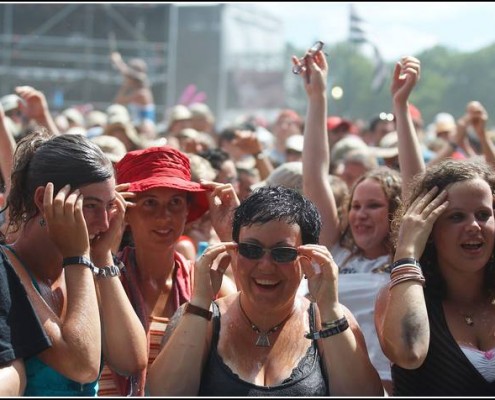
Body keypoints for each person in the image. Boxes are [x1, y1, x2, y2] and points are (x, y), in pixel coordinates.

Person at [146, 185, 383, 396]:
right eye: (251, 249)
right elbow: (162, 393)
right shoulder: (201, 317)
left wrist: (330, 309)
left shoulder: (330, 320)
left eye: (283, 253)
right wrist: (199, 303)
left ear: (308, 258)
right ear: (234, 251)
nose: (266, 265)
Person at [294, 43, 424, 393]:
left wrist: (400, 106)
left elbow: (417, 187)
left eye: (374, 206)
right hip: (328, 385)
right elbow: (315, 176)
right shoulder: (335, 250)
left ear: (397, 213)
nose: (361, 215)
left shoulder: (406, 258)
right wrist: (317, 97)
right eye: (355, 206)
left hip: (392, 386)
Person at [1, 129, 147, 395]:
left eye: (109, 206)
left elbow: (131, 361)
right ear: (44, 200)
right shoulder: (5, 267)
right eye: (90, 205)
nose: (104, 222)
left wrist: (102, 257)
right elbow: (82, 365)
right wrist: (78, 256)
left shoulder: (87, 269)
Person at [98, 145, 237, 396]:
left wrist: (230, 234)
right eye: (150, 203)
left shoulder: (210, 285)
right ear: (126, 212)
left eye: (175, 202)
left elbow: (254, 328)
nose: (164, 216)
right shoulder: (98, 279)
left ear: (187, 211)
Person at [375, 158, 495, 396]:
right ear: (427, 229)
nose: (473, 226)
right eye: (456, 217)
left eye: (483, 214)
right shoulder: (397, 294)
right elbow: (410, 353)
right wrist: (407, 251)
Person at [110, 51, 156, 139]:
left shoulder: (142, 93)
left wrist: (118, 62)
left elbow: (118, 101)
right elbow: (117, 103)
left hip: (145, 131)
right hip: (138, 128)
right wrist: (125, 86)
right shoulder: (137, 91)